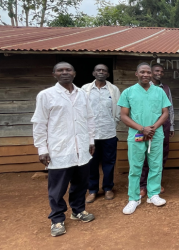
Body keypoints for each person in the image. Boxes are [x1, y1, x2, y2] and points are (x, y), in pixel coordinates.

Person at [31, 62, 96, 237]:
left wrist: (91, 140)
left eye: (68, 70)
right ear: (54, 74)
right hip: (59, 150)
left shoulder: (82, 94)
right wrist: (42, 149)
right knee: (57, 189)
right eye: (60, 70)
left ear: (74, 73)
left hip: (81, 149)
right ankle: (57, 219)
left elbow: (89, 118)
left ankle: (78, 211)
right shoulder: (46, 95)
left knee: (80, 184)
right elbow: (39, 123)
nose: (65, 72)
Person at [118, 63, 171, 215]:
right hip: (137, 135)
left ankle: (153, 194)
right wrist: (142, 129)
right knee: (135, 167)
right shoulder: (128, 92)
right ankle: (133, 198)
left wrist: (153, 128)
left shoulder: (159, 92)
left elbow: (165, 113)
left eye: (148, 72)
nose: (146, 75)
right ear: (137, 74)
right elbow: (123, 116)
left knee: (156, 164)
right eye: (142, 72)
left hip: (155, 134)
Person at [82, 64, 121, 202]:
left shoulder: (113, 90)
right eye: (98, 70)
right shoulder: (85, 89)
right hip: (90, 134)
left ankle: (108, 188)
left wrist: (113, 125)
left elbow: (118, 111)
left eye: (104, 70)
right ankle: (92, 190)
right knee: (91, 163)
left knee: (109, 162)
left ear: (108, 74)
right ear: (93, 73)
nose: (101, 72)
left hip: (108, 133)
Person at [139, 63, 175, 198]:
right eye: (156, 71)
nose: (158, 73)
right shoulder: (140, 88)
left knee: (160, 154)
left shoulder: (165, 88)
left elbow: (169, 108)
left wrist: (171, 126)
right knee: (141, 154)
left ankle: (155, 183)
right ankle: (142, 185)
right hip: (142, 128)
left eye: (161, 71)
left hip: (162, 127)